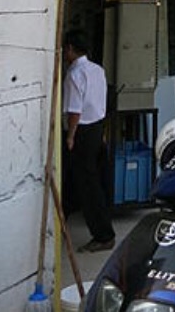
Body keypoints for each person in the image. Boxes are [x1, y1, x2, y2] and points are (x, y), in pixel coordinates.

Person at [62, 29, 116, 252]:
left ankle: (103, 235)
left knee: (88, 185)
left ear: (70, 49)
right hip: (96, 127)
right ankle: (63, 217)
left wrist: (70, 136)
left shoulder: (74, 74)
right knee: (78, 180)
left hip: (82, 131)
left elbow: (75, 110)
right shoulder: (97, 70)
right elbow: (100, 101)